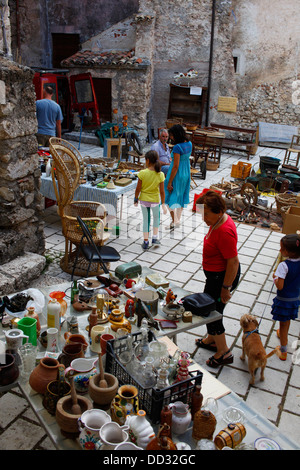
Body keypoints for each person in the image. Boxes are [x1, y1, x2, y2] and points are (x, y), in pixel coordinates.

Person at [195, 190, 240, 368]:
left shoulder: (224, 231)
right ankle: (212, 339)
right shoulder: (221, 219)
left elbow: (233, 262)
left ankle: (224, 351)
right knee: (213, 308)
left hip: (221, 279)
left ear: (219, 212)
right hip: (216, 276)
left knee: (212, 313)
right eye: (202, 213)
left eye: (206, 214)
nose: (203, 218)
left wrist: (225, 287)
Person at [271, 233, 300, 361]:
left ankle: (283, 350)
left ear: (289, 252)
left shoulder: (284, 266)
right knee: (286, 321)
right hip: (295, 299)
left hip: (284, 300)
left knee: (283, 325)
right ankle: (282, 335)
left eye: (282, 249)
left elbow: (280, 286)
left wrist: (275, 279)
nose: (280, 250)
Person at [134, 150, 167, 250]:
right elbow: (162, 191)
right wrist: (163, 203)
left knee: (146, 220)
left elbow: (138, 189)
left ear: (147, 160)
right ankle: (155, 238)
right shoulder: (160, 174)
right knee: (156, 218)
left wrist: (136, 199)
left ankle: (145, 241)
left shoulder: (142, 173)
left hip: (144, 200)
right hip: (155, 200)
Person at [164, 124, 191, 229]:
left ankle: (175, 220)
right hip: (186, 172)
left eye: (171, 135)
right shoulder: (189, 143)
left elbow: (175, 166)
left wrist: (170, 182)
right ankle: (177, 219)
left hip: (177, 174)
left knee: (169, 196)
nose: (170, 137)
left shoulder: (177, 147)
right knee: (181, 196)